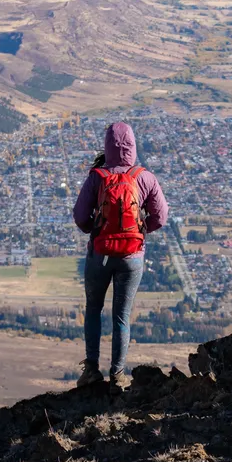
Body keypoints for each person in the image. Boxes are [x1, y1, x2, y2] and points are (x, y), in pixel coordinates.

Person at [72, 121, 168, 391]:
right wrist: (140, 229)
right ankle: (117, 376)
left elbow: (80, 217)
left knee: (93, 309)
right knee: (122, 316)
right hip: (132, 256)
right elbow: (160, 216)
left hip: (100, 255)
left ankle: (91, 370)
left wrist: (97, 230)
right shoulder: (144, 177)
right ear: (133, 146)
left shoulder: (97, 176)